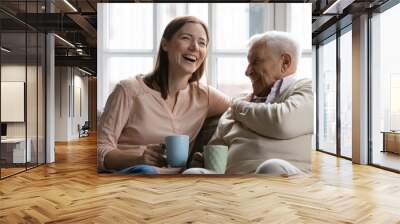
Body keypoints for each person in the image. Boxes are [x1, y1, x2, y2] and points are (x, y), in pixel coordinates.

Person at [97, 16, 231, 174]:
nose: (195, 47)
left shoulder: (205, 96)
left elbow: (242, 107)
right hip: (132, 176)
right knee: (147, 171)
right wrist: (138, 159)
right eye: (186, 38)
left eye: (202, 43)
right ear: (165, 44)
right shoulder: (128, 90)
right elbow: (101, 149)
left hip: (175, 185)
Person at [185, 31, 314, 176]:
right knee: (193, 172)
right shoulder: (240, 103)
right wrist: (205, 161)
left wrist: (238, 105)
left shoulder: (306, 88)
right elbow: (217, 148)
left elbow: (283, 123)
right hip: (233, 183)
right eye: (249, 63)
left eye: (256, 62)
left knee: (272, 167)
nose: (247, 72)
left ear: (285, 62)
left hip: (287, 182)